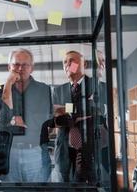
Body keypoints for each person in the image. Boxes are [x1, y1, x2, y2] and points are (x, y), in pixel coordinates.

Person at [0, 48, 53, 182]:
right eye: (16, 64)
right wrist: (8, 84)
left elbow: (42, 119)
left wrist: (10, 120)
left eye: (25, 65)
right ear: (9, 67)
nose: (20, 68)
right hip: (8, 153)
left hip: (34, 152)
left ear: (32, 68)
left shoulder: (43, 89)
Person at [52, 50, 98, 183]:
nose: (68, 64)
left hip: (89, 148)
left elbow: (98, 112)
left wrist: (69, 114)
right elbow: (56, 119)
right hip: (64, 149)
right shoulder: (58, 90)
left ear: (85, 64)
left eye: (72, 60)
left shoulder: (96, 85)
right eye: (65, 62)